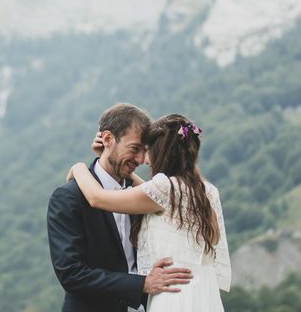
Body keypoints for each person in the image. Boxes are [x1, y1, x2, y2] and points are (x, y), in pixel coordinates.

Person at [68, 113, 231, 312]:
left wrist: (79, 168)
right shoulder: (205, 190)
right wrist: (107, 154)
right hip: (204, 294)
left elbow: (97, 198)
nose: (144, 159)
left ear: (161, 153)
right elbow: (153, 196)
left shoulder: (165, 190)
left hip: (174, 297)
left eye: (148, 151)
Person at [47, 104, 194, 312]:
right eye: (134, 149)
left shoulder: (144, 196)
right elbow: (72, 275)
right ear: (107, 139)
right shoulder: (68, 197)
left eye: (144, 151)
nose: (141, 160)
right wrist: (142, 284)